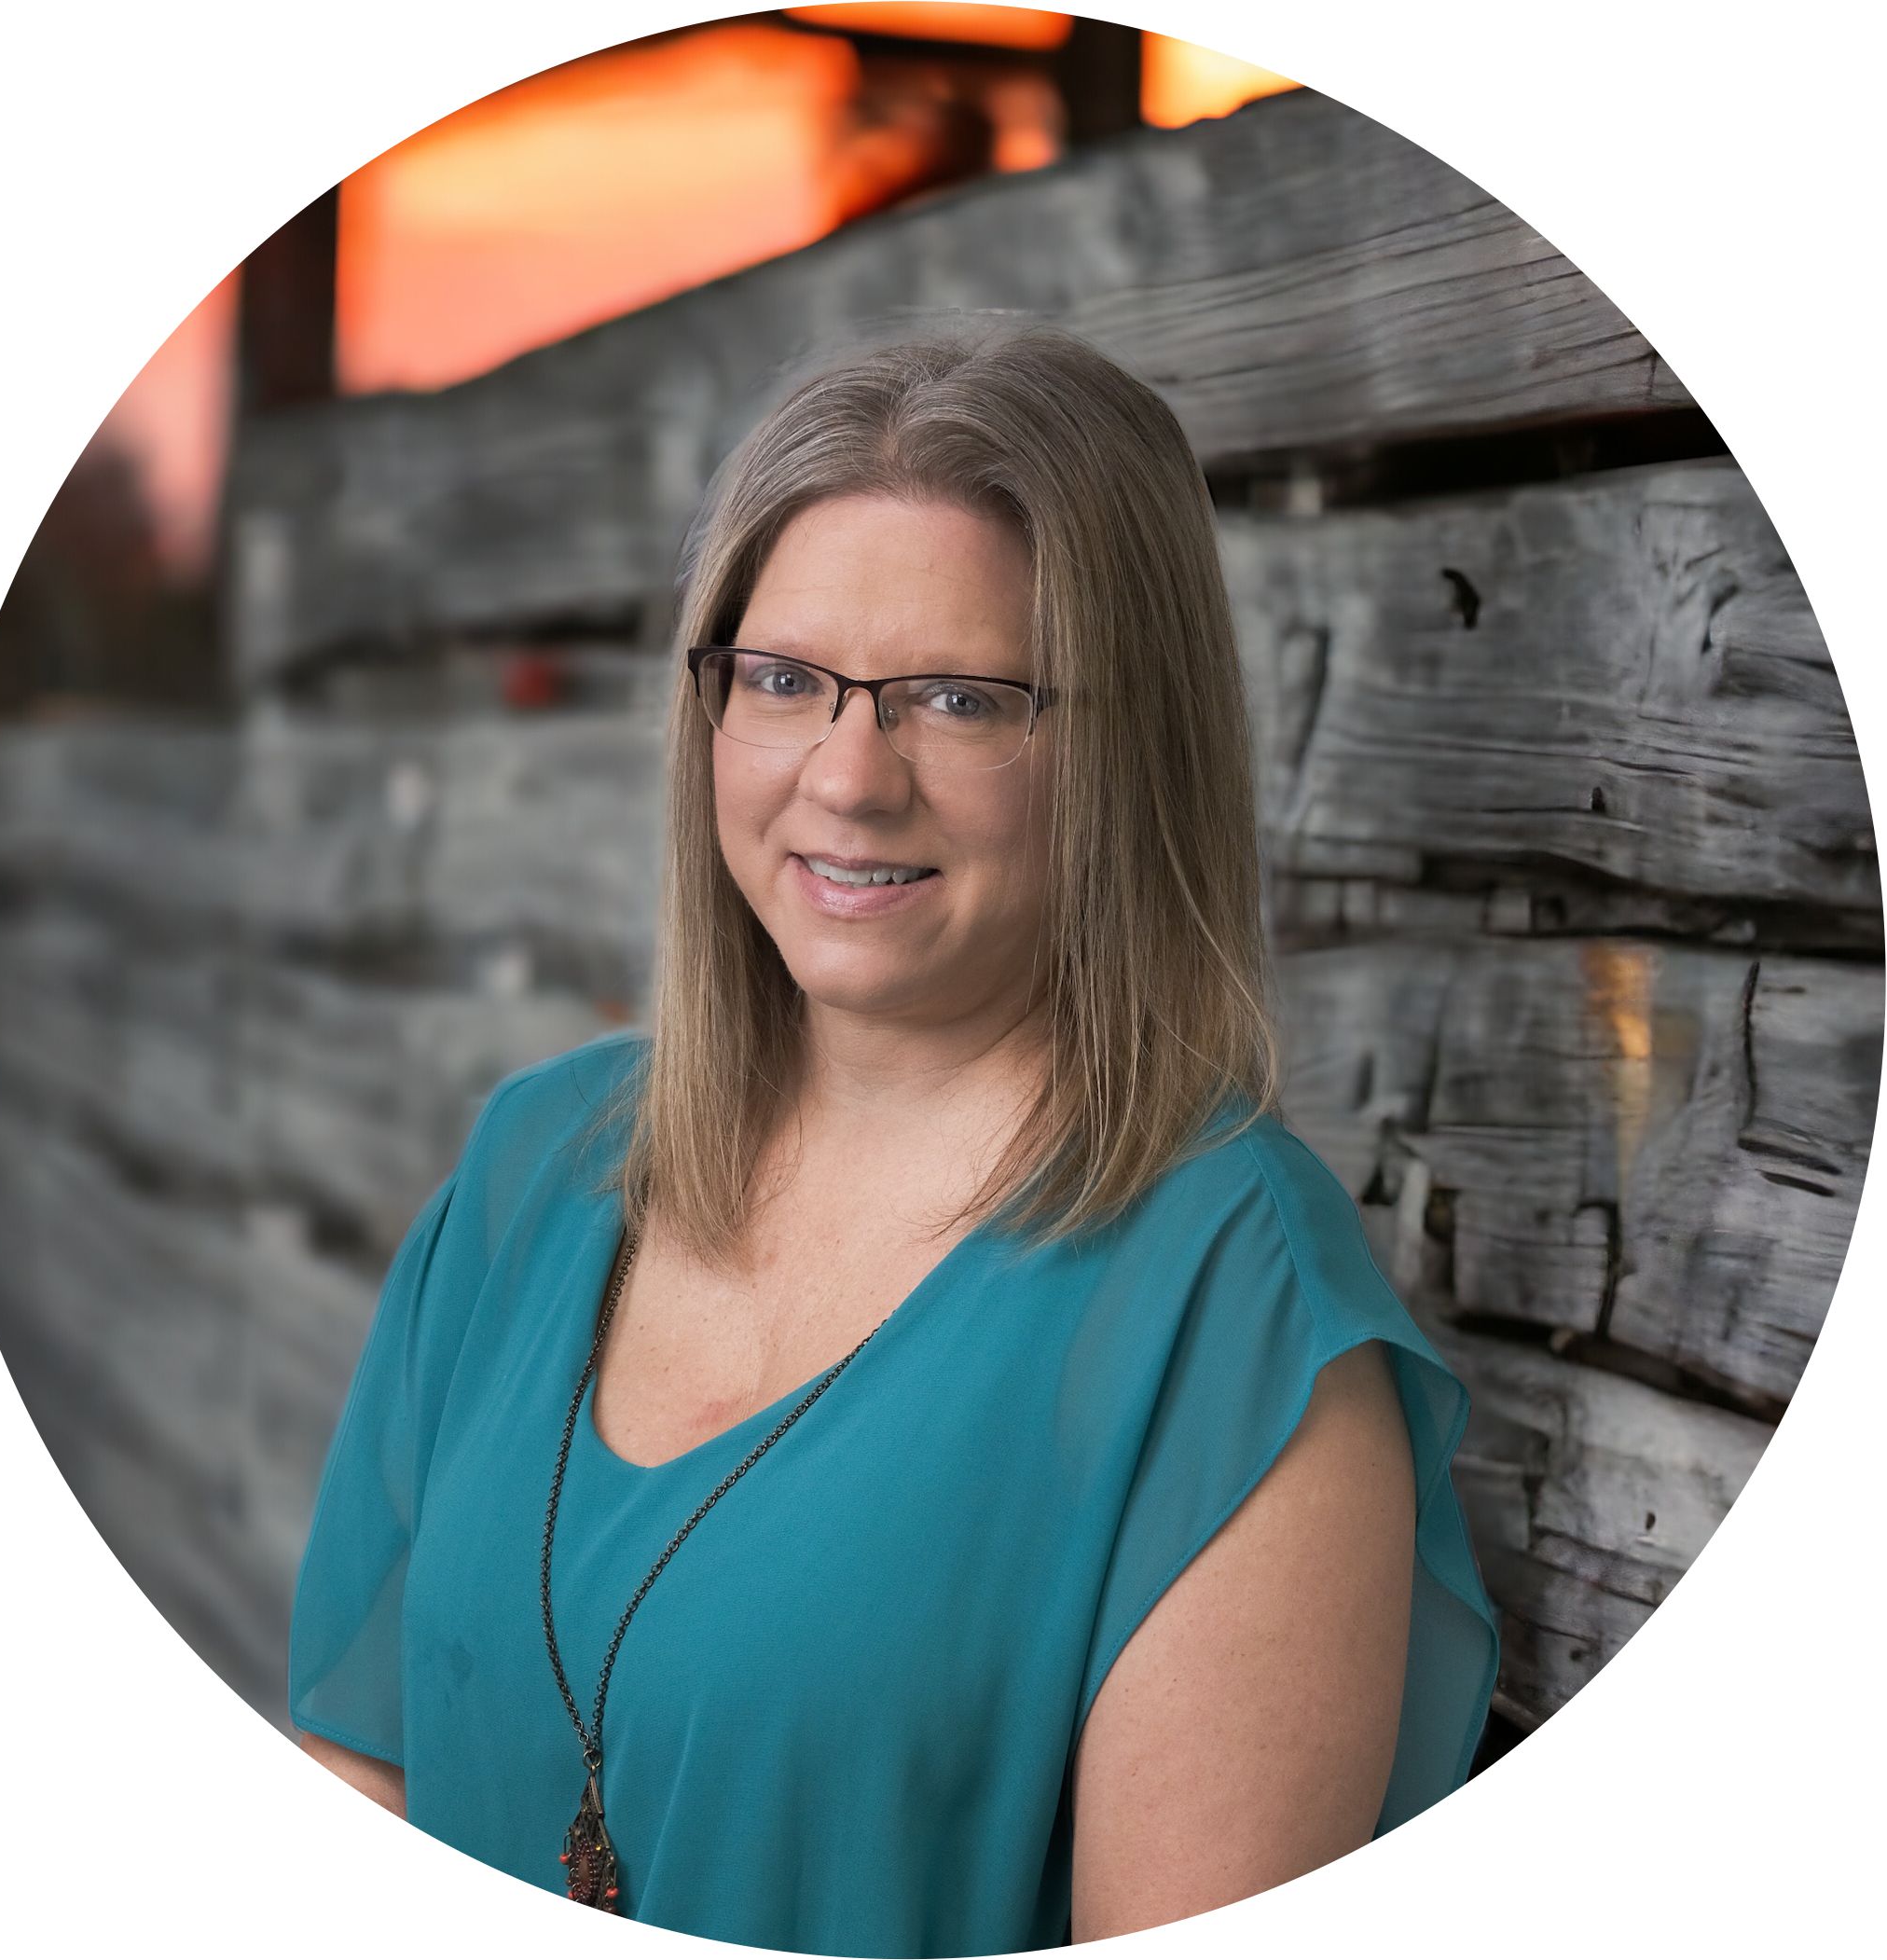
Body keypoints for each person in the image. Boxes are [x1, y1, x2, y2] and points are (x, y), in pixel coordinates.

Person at [288, 317, 1502, 1956]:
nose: (849, 778)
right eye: (782, 680)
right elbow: (357, 1777)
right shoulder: (533, 1169)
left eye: (957, 696)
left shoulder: (1233, 1327)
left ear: (1122, 748)